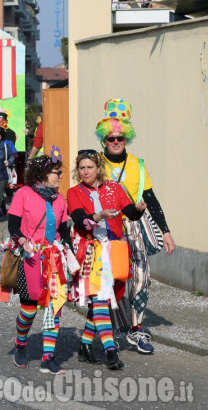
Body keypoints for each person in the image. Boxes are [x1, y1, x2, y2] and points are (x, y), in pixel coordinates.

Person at [96, 99, 173, 354]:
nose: (116, 141)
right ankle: (113, 330)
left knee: (141, 278)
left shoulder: (138, 164)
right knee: (111, 280)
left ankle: (137, 330)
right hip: (108, 231)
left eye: (120, 137)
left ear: (126, 138)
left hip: (135, 228)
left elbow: (150, 198)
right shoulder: (95, 165)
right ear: (103, 140)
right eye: (111, 138)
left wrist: (166, 231)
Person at [67, 149, 145, 370]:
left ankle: (84, 345)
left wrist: (138, 210)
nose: (85, 171)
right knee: (100, 299)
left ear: (98, 168)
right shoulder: (74, 192)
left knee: (100, 300)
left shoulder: (113, 188)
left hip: (114, 251)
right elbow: (79, 219)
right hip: (91, 251)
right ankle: (110, 351)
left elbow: (129, 211)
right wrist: (98, 216)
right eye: (82, 168)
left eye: (89, 167)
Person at [6, 155, 74, 374]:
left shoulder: (60, 199)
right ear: (43, 175)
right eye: (56, 173)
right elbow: (13, 224)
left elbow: (64, 230)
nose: (60, 176)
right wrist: (22, 239)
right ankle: (21, 343)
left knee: (55, 307)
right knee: (29, 307)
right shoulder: (23, 194)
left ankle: (48, 358)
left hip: (53, 258)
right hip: (30, 258)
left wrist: (71, 254)